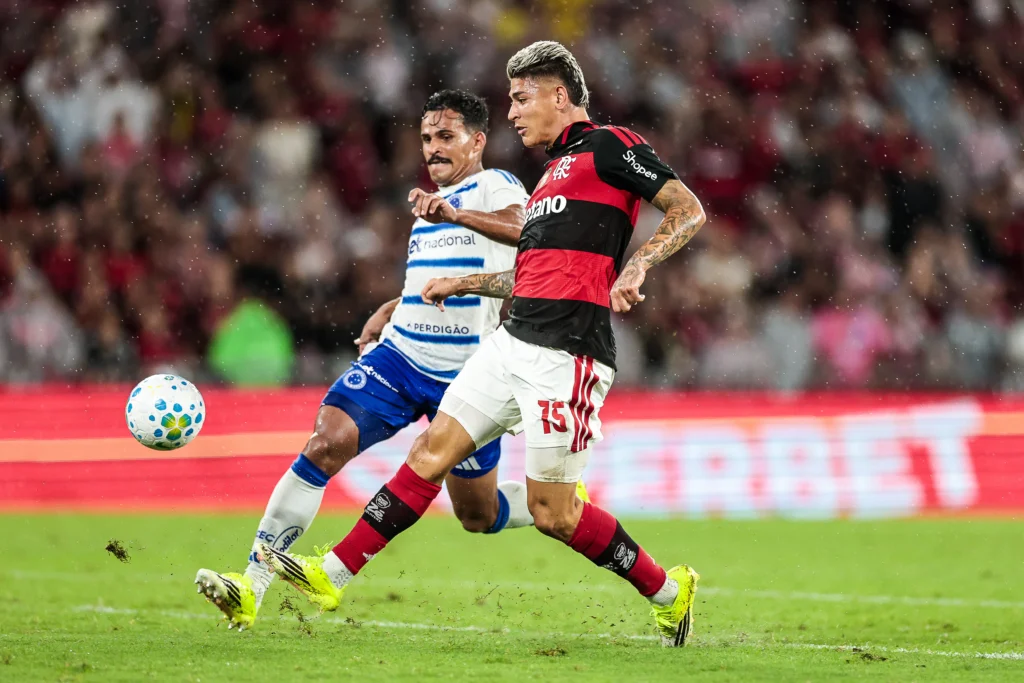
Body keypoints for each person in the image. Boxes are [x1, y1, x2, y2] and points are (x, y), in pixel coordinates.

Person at [260, 42, 707, 647]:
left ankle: (668, 590)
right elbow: (531, 274)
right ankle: (331, 573)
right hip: (510, 342)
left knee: (554, 514)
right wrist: (466, 283)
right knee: (430, 452)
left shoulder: (609, 146)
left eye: (522, 99)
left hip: (568, 353)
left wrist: (640, 264)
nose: (513, 113)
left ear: (559, 95)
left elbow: (687, 208)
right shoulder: (550, 176)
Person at [194, 90, 541, 630]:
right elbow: (432, 283)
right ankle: (250, 585)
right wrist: (391, 307)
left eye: (445, 136)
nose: (433, 147)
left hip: (468, 379)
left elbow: (529, 234)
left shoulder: (494, 186)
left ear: (477, 142)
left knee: (478, 514)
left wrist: (455, 212)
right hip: (401, 358)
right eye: (426, 138)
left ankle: (549, 500)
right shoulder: (429, 207)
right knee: (325, 443)